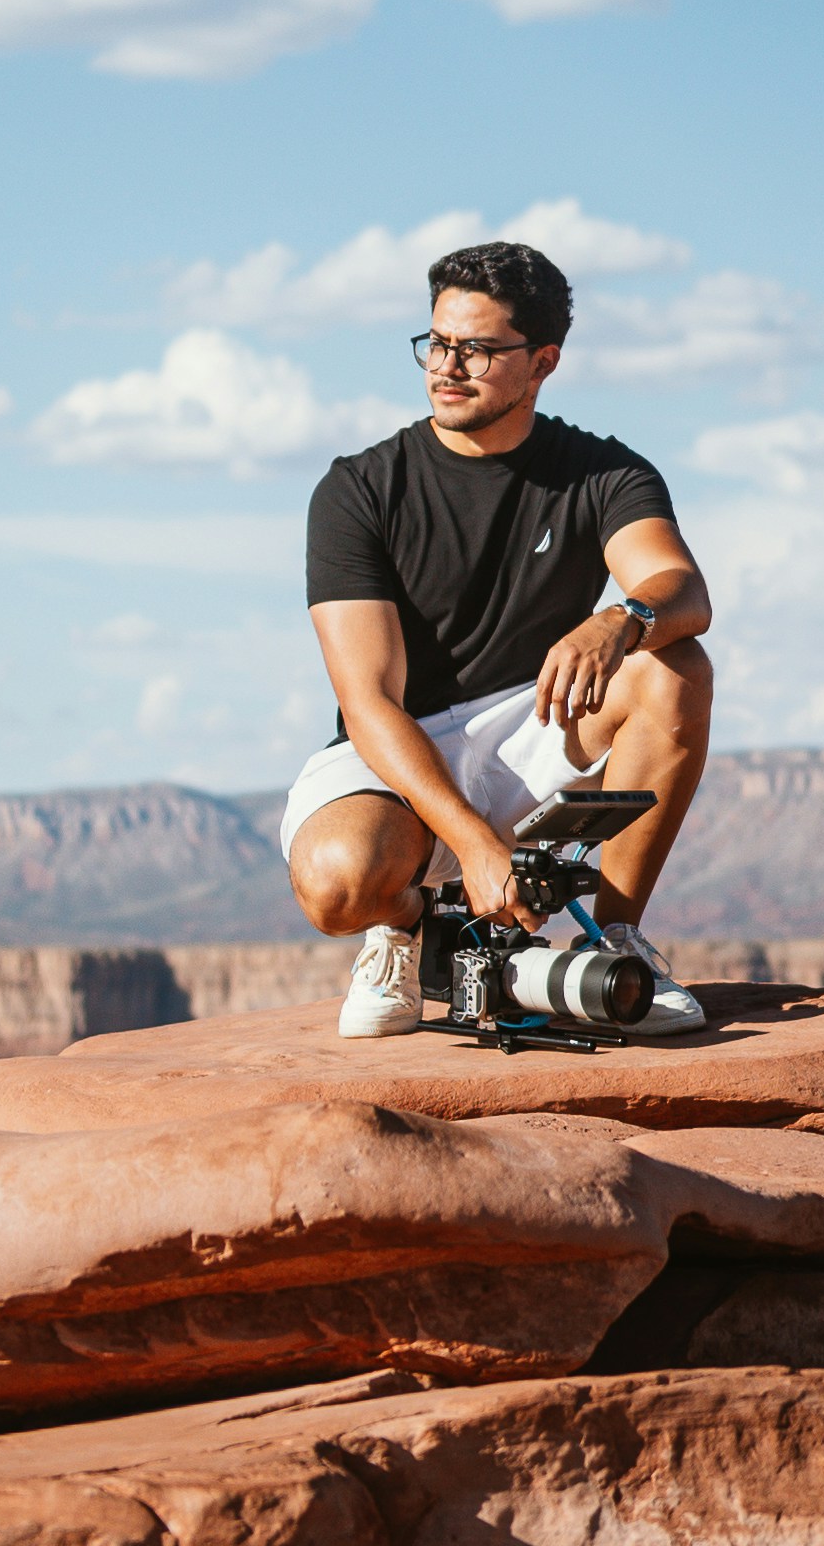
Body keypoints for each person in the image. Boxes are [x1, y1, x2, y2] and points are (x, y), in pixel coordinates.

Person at [281, 234, 715, 1039]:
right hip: (399, 749)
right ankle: (407, 928)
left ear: (542, 361)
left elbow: (681, 589)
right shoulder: (360, 490)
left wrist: (620, 620)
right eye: (436, 343)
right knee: (337, 884)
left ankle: (614, 942)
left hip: (536, 726)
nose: (446, 368)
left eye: (476, 350)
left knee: (674, 665)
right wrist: (476, 846)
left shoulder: (603, 474)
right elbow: (369, 701)